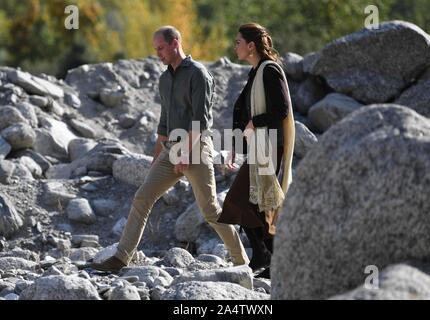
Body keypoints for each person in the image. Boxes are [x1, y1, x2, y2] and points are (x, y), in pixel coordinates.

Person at [91, 26, 249, 272]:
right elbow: (163, 123)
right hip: (170, 149)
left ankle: (242, 262)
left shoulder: (199, 74)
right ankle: (121, 258)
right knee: (143, 197)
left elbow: (201, 121)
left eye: (161, 48)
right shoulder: (165, 79)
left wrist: (185, 153)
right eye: (155, 49)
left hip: (195, 148)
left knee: (210, 210)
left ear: (175, 43)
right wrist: (156, 160)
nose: (158, 54)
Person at [218, 23, 295, 278]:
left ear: (251, 46)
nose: (235, 46)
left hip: (271, 146)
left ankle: (278, 259)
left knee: (249, 203)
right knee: (250, 204)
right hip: (260, 146)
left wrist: (255, 122)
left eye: (238, 41)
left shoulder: (269, 71)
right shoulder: (256, 72)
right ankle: (266, 256)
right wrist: (236, 147)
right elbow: (245, 115)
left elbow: (280, 111)